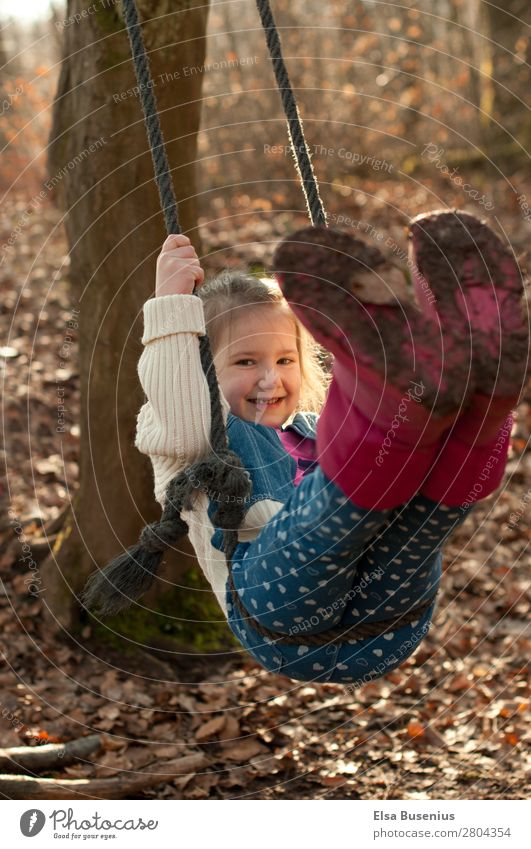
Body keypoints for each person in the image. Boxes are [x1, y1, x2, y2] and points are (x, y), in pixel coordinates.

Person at [84, 210, 528, 686]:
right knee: (351, 478)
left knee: (423, 504)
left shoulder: (324, 432)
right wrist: (170, 306)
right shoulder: (190, 437)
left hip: (390, 624)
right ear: (202, 373)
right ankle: (420, 374)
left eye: (285, 358)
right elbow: (182, 400)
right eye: (245, 361)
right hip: (281, 622)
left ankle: (476, 388)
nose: (270, 378)